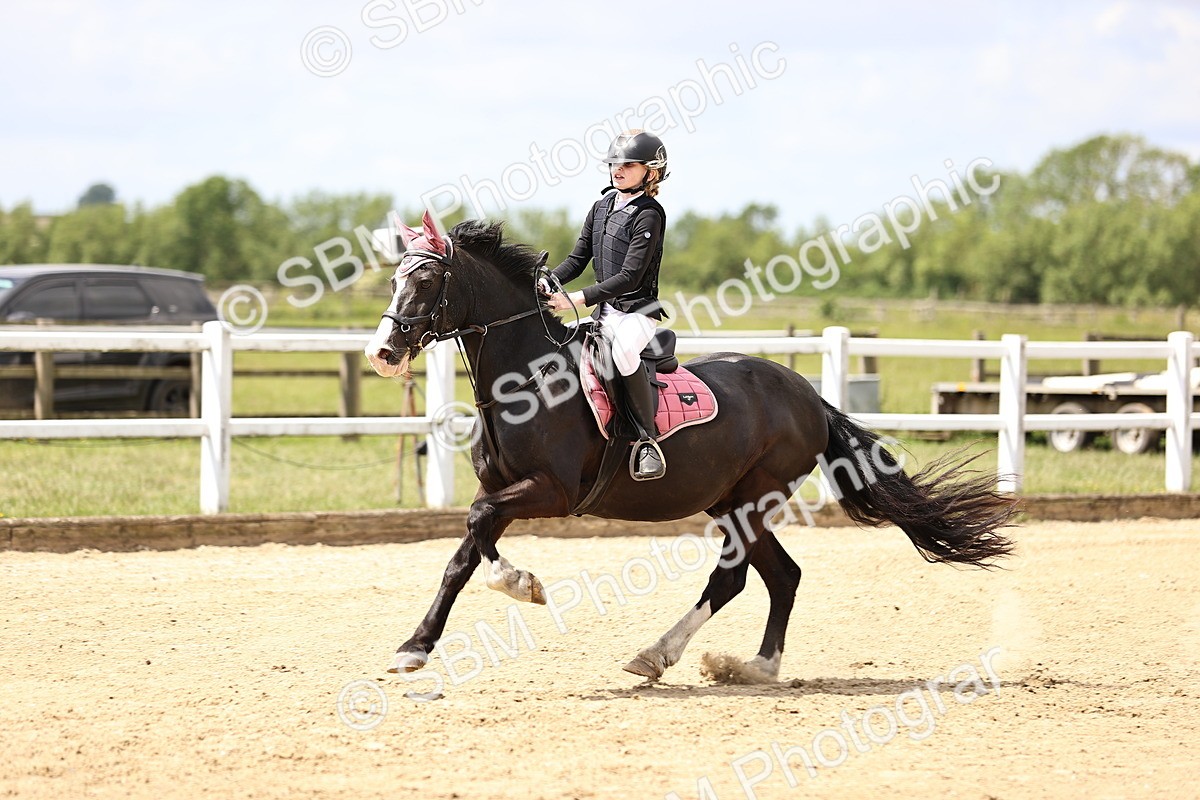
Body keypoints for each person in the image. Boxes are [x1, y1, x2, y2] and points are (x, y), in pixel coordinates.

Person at [543, 129, 670, 480]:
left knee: (622, 354)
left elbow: (630, 276)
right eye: (615, 163)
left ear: (651, 171)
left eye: (628, 164)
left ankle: (647, 440)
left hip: (637, 313)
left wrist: (578, 299)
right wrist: (548, 280)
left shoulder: (650, 214)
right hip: (603, 313)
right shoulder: (600, 207)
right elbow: (577, 258)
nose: (618, 169)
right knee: (558, 348)